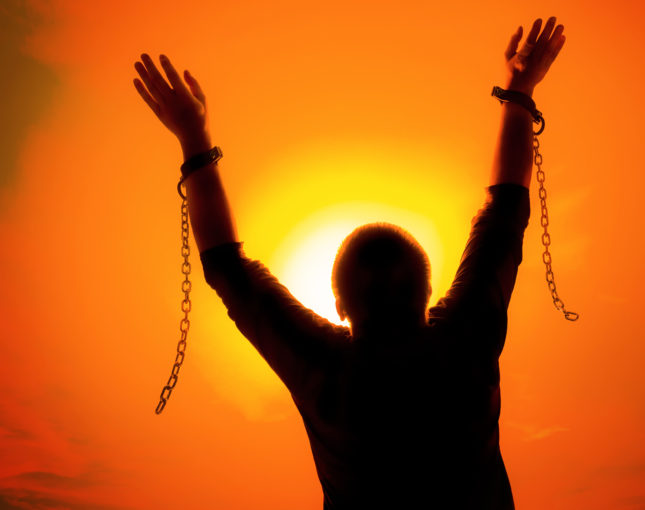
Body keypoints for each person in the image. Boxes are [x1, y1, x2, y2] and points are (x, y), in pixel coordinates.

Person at [134, 16, 566, 510]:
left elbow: (225, 267)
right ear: (426, 292)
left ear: (340, 305)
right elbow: (505, 210)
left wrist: (193, 136)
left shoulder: (324, 371)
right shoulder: (465, 341)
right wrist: (519, 91)